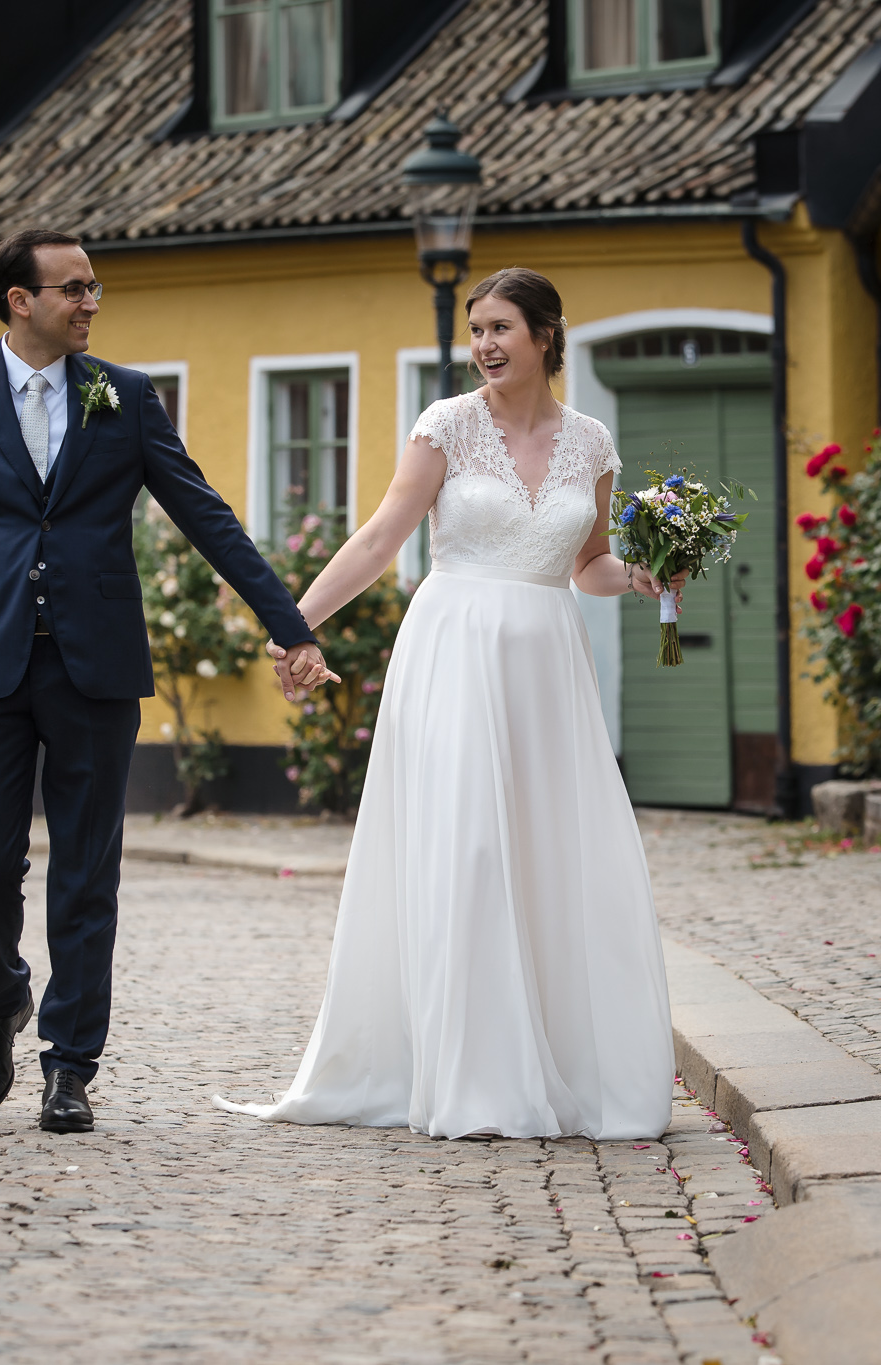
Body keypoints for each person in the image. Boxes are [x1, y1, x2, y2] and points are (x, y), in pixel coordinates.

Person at [0, 229, 334, 1135]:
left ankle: (69, 1064)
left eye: (95, 288)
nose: (92, 302)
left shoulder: (123, 397)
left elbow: (203, 512)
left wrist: (290, 627)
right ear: (21, 300)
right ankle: (1, 996)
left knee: (87, 873)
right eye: (75, 289)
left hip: (95, 667)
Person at [219, 268, 679, 1140]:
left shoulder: (592, 442)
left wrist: (647, 572)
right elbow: (382, 535)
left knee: (549, 853)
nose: (487, 345)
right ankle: (473, 1076)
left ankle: (563, 1064)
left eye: (503, 327)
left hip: (546, 665)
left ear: (547, 335)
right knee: (468, 848)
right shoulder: (447, 428)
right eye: (477, 330)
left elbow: (588, 567)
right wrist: (294, 623)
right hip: (455, 650)